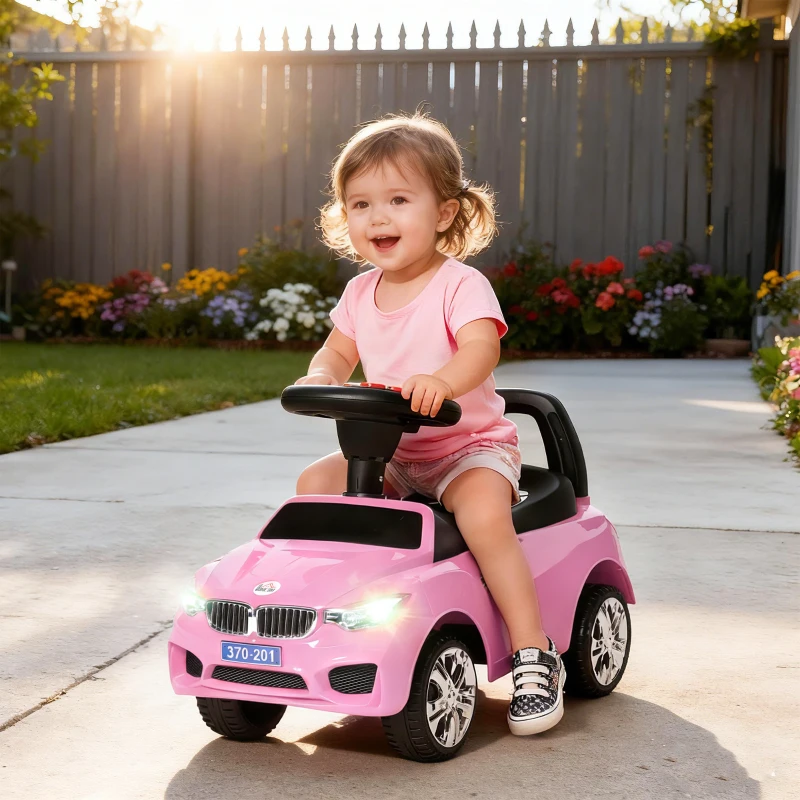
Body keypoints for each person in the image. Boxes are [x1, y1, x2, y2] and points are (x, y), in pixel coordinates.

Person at [294, 113, 565, 735]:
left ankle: (532, 653)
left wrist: (442, 381)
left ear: (443, 213)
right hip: (391, 453)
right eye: (359, 204)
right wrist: (321, 376)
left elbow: (480, 350)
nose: (377, 218)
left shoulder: (458, 285)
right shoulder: (361, 294)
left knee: (484, 518)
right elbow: (336, 353)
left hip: (467, 449)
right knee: (314, 486)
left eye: (397, 200)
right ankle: (342, 619)